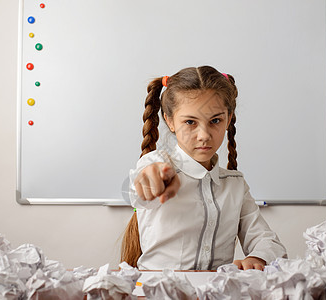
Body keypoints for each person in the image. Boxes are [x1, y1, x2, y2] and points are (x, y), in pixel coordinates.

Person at [121, 66, 287, 271]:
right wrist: (148, 180)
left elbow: (265, 240)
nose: (204, 135)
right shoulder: (156, 164)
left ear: (228, 118)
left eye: (215, 120)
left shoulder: (235, 185)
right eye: (190, 122)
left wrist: (258, 258)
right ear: (170, 121)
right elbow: (135, 190)